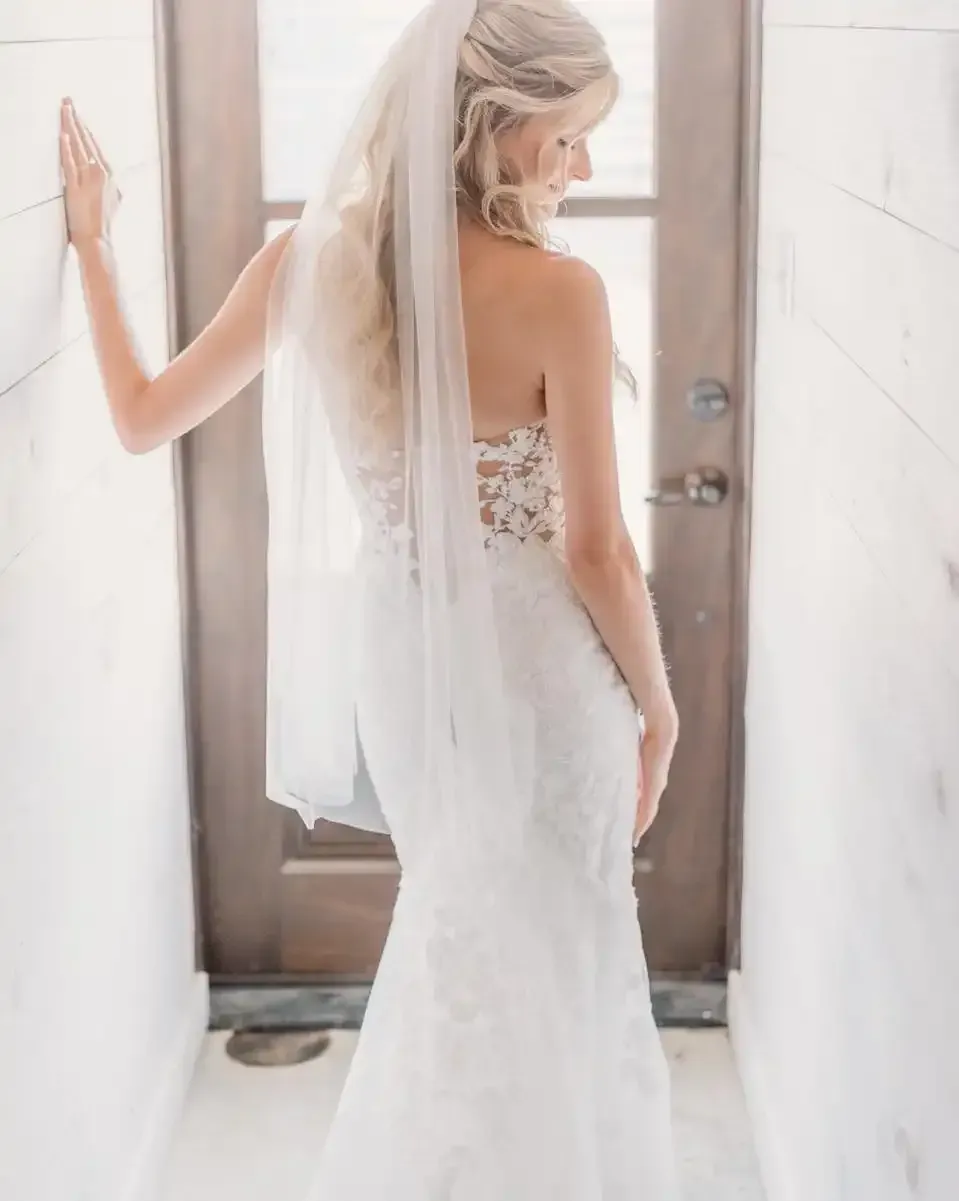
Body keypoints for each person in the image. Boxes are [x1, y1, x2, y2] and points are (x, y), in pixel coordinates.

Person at [60, 0, 680, 1195]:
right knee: (561, 954)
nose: (584, 166)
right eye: (568, 136)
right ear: (494, 125)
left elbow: (142, 418)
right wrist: (656, 705)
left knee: (461, 938)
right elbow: (595, 549)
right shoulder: (562, 292)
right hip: (545, 683)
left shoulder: (306, 261)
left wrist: (95, 250)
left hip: (409, 673)